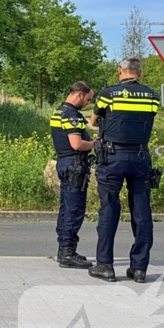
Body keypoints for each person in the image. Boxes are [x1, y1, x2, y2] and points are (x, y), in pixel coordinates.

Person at [88, 58, 161, 283]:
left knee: (109, 210)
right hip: (140, 158)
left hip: (112, 158)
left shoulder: (109, 94)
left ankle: (105, 266)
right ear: (140, 73)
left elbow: (93, 121)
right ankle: (139, 269)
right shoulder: (152, 96)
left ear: (120, 71)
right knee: (142, 212)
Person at [50, 81, 97, 269]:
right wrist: (96, 144)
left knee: (66, 208)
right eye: (88, 99)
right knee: (74, 210)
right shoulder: (71, 116)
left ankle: (63, 249)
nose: (88, 103)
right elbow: (77, 144)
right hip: (74, 166)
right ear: (79, 95)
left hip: (65, 163)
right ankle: (68, 252)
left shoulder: (59, 111)